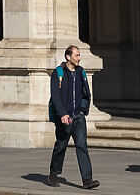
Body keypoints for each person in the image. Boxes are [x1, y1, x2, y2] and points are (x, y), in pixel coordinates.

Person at [49, 43, 98, 190]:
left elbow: (85, 93)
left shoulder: (81, 72)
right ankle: (53, 174)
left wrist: (83, 110)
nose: (79, 58)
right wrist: (63, 114)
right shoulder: (58, 73)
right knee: (61, 146)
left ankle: (87, 179)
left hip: (78, 117)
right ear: (68, 56)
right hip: (64, 118)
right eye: (76, 55)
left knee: (82, 146)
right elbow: (55, 96)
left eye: (79, 55)